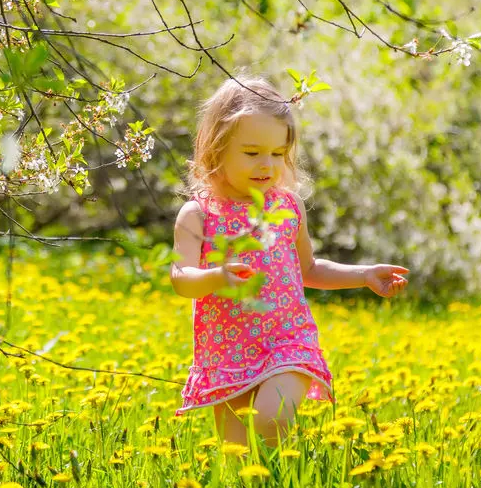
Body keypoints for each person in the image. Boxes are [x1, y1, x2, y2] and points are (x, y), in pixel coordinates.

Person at [170, 76, 409, 452]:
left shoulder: (287, 207)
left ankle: (282, 480)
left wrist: (363, 275)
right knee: (238, 456)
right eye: (251, 153)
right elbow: (181, 279)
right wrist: (216, 277)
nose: (267, 164)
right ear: (216, 150)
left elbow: (309, 269)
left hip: (287, 340)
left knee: (271, 418)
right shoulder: (198, 214)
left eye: (277, 154)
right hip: (227, 350)